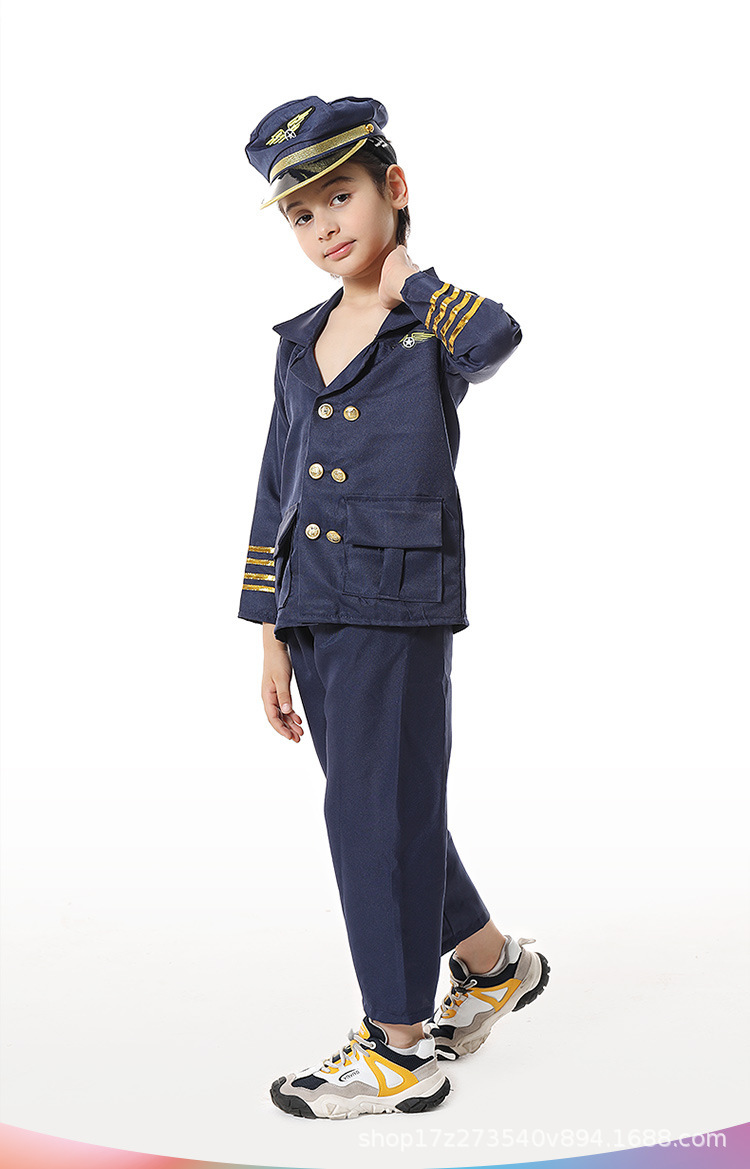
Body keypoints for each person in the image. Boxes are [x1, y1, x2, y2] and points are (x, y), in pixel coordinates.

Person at [238, 95, 550, 1121]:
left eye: (340, 196)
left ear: (394, 188)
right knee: (385, 807)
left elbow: (497, 339)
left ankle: (397, 1044)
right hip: (315, 605)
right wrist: (271, 629)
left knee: (372, 815)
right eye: (301, 213)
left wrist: (414, 278)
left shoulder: (429, 323)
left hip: (396, 597)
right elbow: (277, 483)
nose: (323, 225)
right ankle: (495, 966)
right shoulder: (299, 340)